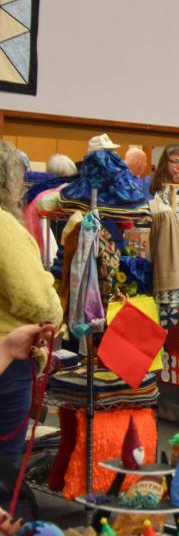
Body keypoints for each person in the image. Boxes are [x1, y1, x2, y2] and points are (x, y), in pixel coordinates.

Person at [0, 141, 63, 468]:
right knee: (4, 469)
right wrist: (55, 303)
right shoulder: (4, 226)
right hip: (8, 361)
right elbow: (35, 299)